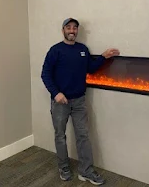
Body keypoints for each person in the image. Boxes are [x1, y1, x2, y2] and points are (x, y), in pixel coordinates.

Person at [41, 18, 120, 185]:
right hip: (60, 102)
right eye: (68, 27)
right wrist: (56, 93)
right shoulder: (55, 50)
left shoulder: (82, 49)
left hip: (79, 101)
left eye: (75, 28)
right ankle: (63, 167)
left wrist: (103, 57)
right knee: (60, 136)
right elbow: (45, 74)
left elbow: (90, 68)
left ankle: (86, 171)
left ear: (77, 31)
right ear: (63, 30)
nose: (72, 30)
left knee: (83, 135)